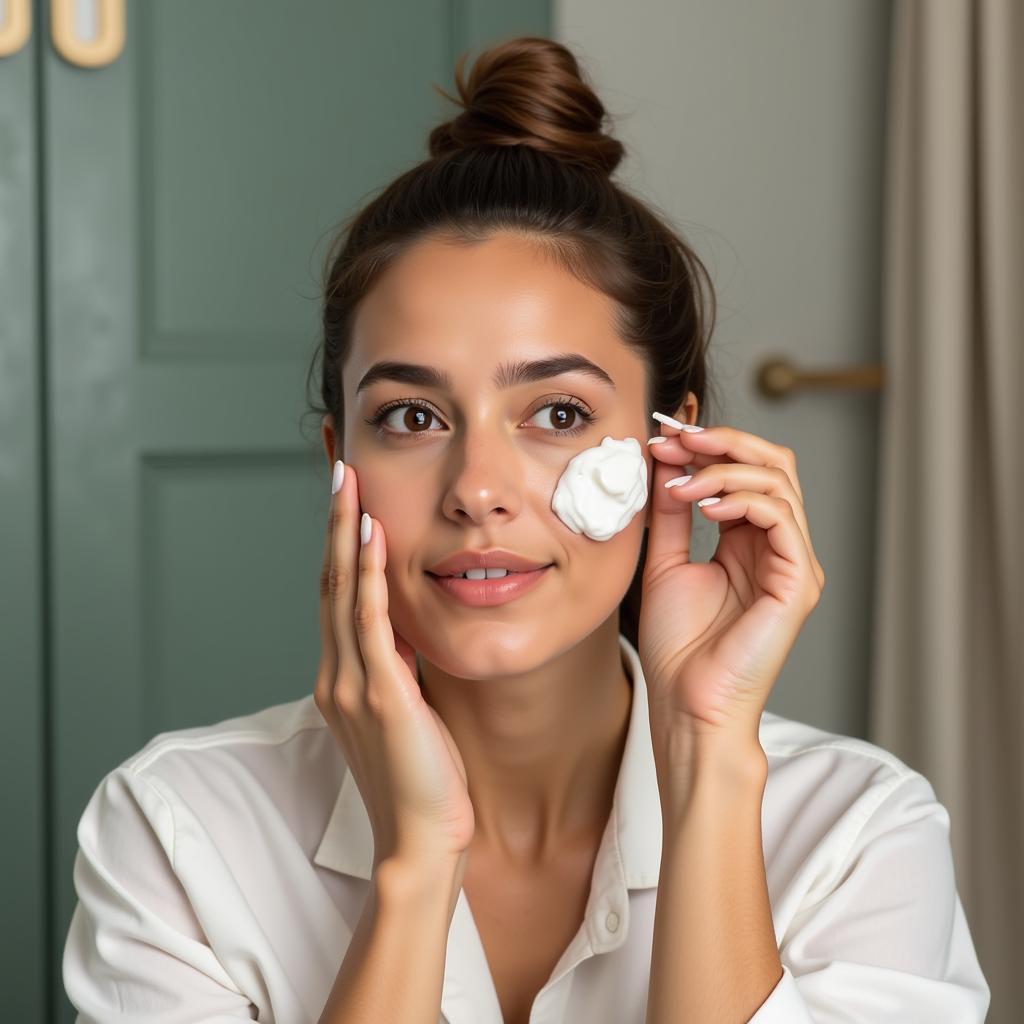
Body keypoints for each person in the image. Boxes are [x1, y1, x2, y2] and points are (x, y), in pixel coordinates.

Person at [63, 35, 990, 1024]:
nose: (478, 490)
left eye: (556, 414)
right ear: (339, 460)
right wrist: (415, 868)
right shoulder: (179, 828)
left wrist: (709, 758)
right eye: (412, 418)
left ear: (672, 447)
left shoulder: (855, 834)